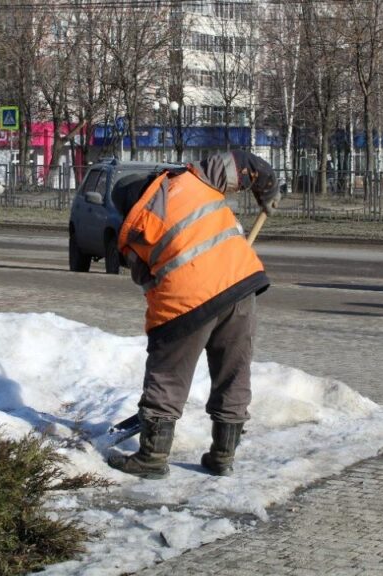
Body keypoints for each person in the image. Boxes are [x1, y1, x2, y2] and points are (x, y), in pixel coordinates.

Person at [107, 150, 280, 480]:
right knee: (234, 371)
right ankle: (222, 457)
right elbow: (247, 163)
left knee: (167, 374)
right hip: (239, 285)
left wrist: (162, 339)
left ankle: (152, 457)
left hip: (186, 304)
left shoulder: (132, 235)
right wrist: (268, 190)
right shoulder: (195, 178)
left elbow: (149, 283)